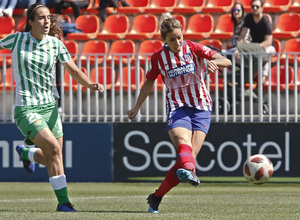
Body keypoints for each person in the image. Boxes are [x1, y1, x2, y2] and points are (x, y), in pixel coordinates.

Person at [0, 3, 104, 212]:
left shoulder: (55, 44)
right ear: (30, 22)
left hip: (50, 108)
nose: (46, 22)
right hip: (27, 108)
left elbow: (74, 70)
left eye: (48, 18)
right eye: (40, 18)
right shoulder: (17, 39)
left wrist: (91, 84)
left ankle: (28, 154)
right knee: (54, 149)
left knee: (52, 156)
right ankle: (64, 203)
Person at [127, 12, 232, 214]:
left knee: (187, 159)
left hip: (201, 108)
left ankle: (156, 198)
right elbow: (148, 83)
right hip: (177, 107)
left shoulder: (193, 48)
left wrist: (215, 63)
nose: (177, 42)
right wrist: (136, 107)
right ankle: (191, 171)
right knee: (185, 151)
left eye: (180, 37)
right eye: (172, 39)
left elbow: (226, 61)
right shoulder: (158, 58)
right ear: (164, 40)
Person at [237, 0, 275, 84]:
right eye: (252, 6)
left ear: (261, 8)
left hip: (268, 47)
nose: (254, 8)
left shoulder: (265, 21)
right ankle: (244, 79)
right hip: (254, 46)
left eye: (257, 6)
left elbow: (268, 42)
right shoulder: (249, 18)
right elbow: (242, 34)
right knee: (238, 55)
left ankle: (263, 76)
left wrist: (255, 48)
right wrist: (239, 48)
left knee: (265, 53)